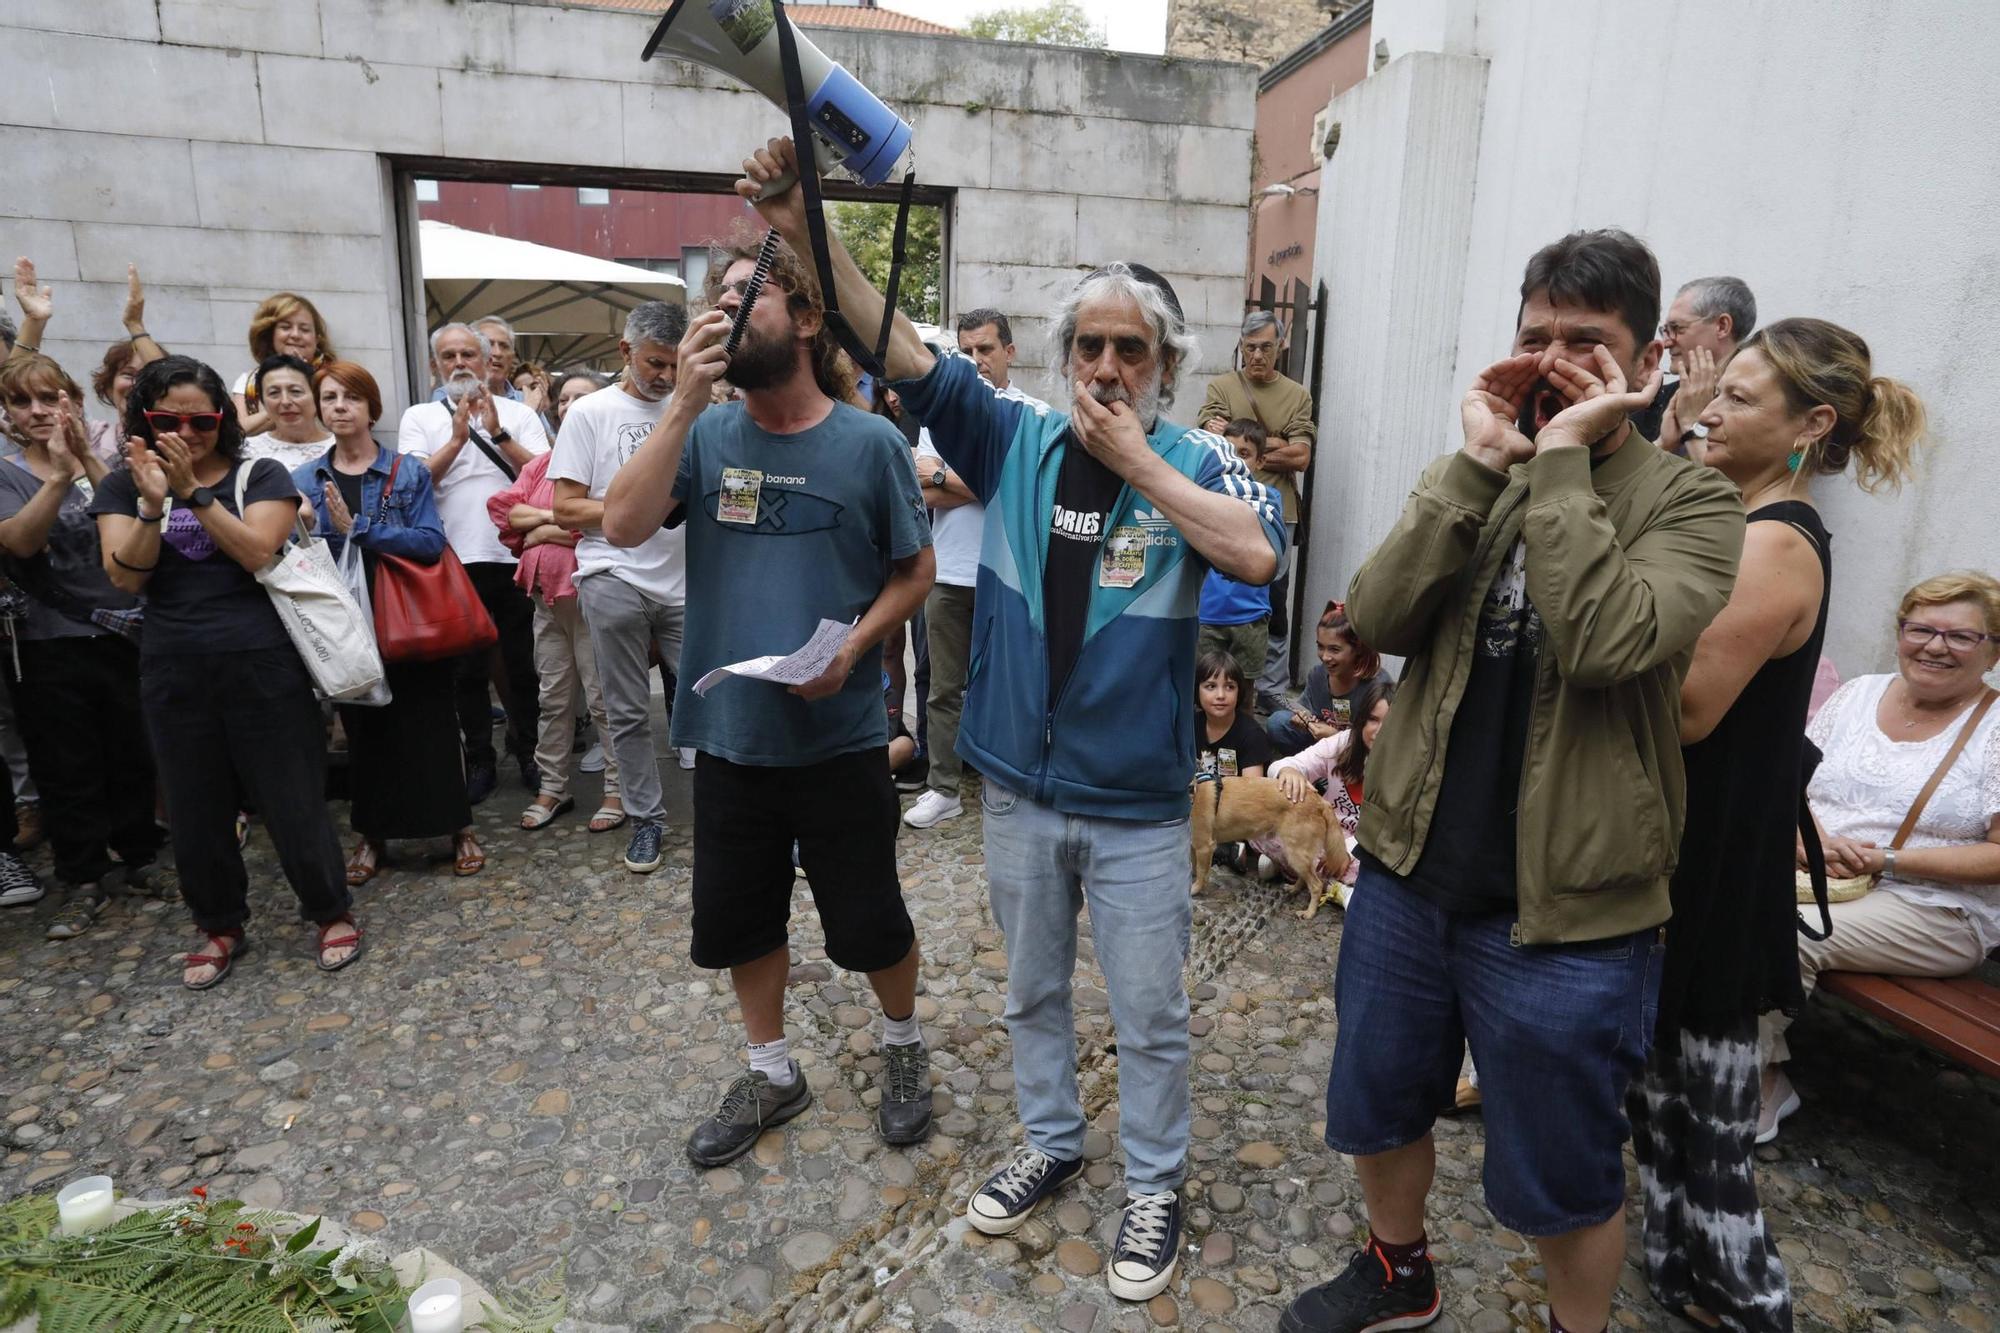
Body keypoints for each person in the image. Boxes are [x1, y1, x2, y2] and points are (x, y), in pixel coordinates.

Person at [727, 138, 1284, 1300]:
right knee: (1030, 990)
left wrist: (1139, 461)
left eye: (1131, 349)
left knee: (1147, 1010)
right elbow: (891, 338)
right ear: (1063, 354)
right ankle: (1049, 1136)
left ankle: (1152, 1184)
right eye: (1089, 345)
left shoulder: (1198, 462)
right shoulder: (1013, 436)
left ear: (1165, 366)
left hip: (1134, 803)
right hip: (1024, 793)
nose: (1106, 363)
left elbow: (1254, 554)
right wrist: (799, 219)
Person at [1280, 229, 1744, 1333]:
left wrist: (1569, 457)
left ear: (1645, 367)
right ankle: (1399, 1271)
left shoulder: (1693, 505)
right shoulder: (1479, 474)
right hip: (1405, 871)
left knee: (1562, 1167)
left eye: (1588, 342)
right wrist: (1477, 462)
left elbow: (1603, 644)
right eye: (1535, 337)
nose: (1553, 360)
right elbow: (1377, 615)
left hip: (1569, 912)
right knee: (1378, 1098)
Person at [599, 219, 938, 1172]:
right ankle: (772, 1068)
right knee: (741, 917)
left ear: (807, 317)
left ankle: (904, 1046)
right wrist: (681, 403)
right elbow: (623, 525)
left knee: (871, 918)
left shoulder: (869, 444)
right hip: (730, 734)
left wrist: (858, 650)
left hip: (837, 734)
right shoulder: (703, 432)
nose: (723, 311)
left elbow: (915, 572)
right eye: (717, 296)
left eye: (747, 293)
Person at [1632, 316, 1922, 1332]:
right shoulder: (1745, 518)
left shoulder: (1773, 541)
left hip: (1712, 858)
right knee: (1664, 1090)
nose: (1709, 408)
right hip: (1703, 841)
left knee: (1707, 1111)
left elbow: (1685, 708)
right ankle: (1673, 1271)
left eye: (1738, 397)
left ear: (1810, 426)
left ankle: (1749, 1300)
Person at [90, 356, 356, 988]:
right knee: (194, 806)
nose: (187, 432)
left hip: (262, 660)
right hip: (173, 663)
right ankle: (218, 924)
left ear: (223, 421)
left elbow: (258, 553)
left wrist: (194, 493)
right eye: (168, 419)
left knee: (292, 796)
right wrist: (153, 506)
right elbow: (126, 576)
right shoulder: (122, 485)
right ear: (143, 419)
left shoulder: (259, 473)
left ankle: (329, 909)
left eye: (203, 420)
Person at [1760, 572, 2000, 1135]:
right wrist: (1809, 837)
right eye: (1922, 628)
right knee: (1702, 886)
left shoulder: (1996, 727)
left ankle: (1757, 1085)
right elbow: (1793, 781)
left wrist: (1885, 861)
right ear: (1900, 633)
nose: (1936, 646)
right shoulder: (1859, 693)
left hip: (1934, 907)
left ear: (1993, 651)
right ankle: (1681, 1052)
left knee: (1789, 932)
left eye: (1962, 637)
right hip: (1813, 869)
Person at [296, 361, 484, 886]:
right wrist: (309, 530)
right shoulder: (305, 479)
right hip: (344, 617)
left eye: (351, 398)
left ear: (370, 407)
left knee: (431, 722)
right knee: (364, 727)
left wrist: (360, 528)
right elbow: (296, 556)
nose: (340, 407)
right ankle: (372, 834)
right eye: (330, 397)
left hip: (410, 612)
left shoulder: (407, 471)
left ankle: (457, 828)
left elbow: (429, 542)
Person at [0, 354, 158, 932]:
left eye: (51, 397)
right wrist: (61, 475)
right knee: (66, 764)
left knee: (133, 751)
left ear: (73, 400)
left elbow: (134, 519)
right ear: (9, 413)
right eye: (24, 401)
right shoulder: (8, 472)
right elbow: (19, 541)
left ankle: (140, 858)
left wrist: (85, 463)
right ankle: (83, 876)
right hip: (48, 640)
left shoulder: (109, 463)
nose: (39, 411)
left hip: (126, 630)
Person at [551, 301, 689, 873]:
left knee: (724, 696)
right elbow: (563, 507)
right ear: (625, 352)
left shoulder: (697, 409)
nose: (665, 376)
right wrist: (637, 507)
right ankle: (647, 820)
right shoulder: (590, 412)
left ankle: (749, 813)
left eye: (675, 365)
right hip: (612, 572)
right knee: (627, 710)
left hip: (687, 578)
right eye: (656, 363)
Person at [398, 322, 551, 802]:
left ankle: (531, 753)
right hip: (452, 558)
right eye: (449, 356)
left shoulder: (517, 414)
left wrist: (498, 434)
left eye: (469, 354)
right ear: (434, 366)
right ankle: (480, 759)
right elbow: (410, 483)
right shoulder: (420, 416)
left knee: (524, 664)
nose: (460, 363)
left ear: (488, 362)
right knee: (466, 671)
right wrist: (458, 439)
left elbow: (548, 476)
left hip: (514, 556)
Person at [905, 308, 1043, 830]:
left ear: (1010, 351)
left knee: (1010, 683)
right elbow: (921, 492)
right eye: (966, 351)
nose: (976, 360)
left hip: (1009, 574)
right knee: (944, 687)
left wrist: (947, 474)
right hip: (948, 572)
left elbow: (1020, 485)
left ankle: (1005, 781)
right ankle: (944, 787)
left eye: (985, 349)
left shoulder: (1032, 415)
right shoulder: (942, 416)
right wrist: (977, 479)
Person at [487, 433, 625, 836]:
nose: (571, 411)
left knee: (602, 699)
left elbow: (611, 525)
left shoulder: (608, 466)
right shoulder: (540, 465)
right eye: (563, 403)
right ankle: (553, 788)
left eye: (579, 402)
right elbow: (508, 513)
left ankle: (618, 790)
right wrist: (557, 519)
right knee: (553, 697)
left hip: (588, 600)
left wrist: (543, 527)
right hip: (544, 600)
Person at [1200, 310, 1316, 711]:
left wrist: (1246, 442)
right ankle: (1216, 686)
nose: (1256, 355)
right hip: (1223, 510)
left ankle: (1270, 687)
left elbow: (1301, 456)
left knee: (1272, 601)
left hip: (1276, 513)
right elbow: (1209, 444)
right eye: (1249, 347)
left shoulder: (1297, 395)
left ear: (1280, 346)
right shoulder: (1221, 386)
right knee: (1216, 593)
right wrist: (1274, 441)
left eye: (1265, 347)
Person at [11, 258, 163, 465]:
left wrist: (136, 326)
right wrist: (34, 322)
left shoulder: (185, 432)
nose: (137, 384)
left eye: (147, 376)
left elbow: (170, 381)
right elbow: (12, 386)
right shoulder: (89, 437)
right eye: (128, 374)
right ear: (108, 387)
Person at [1268, 677, 1396, 886]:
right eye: (1373, 719)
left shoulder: (1405, 763)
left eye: (1389, 723)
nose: (1379, 730)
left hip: (1364, 844)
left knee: (1374, 869)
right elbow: (1283, 766)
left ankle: (1297, 869)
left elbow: (1389, 829)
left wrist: (1344, 852)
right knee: (1265, 828)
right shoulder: (1343, 742)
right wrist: (1289, 771)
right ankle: (1312, 874)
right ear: (1361, 720)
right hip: (1325, 831)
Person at [1197, 420, 1275, 684]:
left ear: (1260, 461)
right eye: (1229, 451)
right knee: (1201, 690)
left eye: (1245, 453)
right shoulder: (1203, 497)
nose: (1237, 460)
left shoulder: (1268, 500)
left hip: (1250, 616)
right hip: (1208, 614)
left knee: (1244, 691)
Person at [1266, 601, 1392, 758]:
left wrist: (1336, 736)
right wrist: (1304, 719)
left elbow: (1384, 739)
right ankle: (1310, 772)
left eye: (1334, 649)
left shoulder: (1378, 684)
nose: (1325, 657)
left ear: (1357, 649)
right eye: (1320, 647)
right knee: (1278, 722)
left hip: (1359, 754)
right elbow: (1308, 712)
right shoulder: (1317, 675)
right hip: (1321, 747)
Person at [1645, 275, 1756, 450]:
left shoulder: (1762, 397)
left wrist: (1692, 427)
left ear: (1722, 326)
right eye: (1665, 330)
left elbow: (1793, 461)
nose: (1666, 342)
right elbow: (1629, 476)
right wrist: (1663, 445)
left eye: (1676, 328)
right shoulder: (1657, 402)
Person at [228, 293, 335, 436]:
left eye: (304, 329)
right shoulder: (248, 381)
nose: (296, 335)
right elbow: (236, 432)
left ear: (316, 339)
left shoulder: (334, 377)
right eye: (286, 327)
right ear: (270, 335)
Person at [241, 355, 333, 471]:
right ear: (263, 401)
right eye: (274, 393)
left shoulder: (339, 447)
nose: (285, 401)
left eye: (295, 391)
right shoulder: (247, 451)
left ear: (315, 395)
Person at [1195, 649, 1270, 779]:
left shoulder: (1252, 736)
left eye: (1229, 687)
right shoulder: (1189, 726)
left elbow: (1252, 790)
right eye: (1211, 686)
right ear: (1196, 690)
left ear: (1239, 691)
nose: (1220, 695)